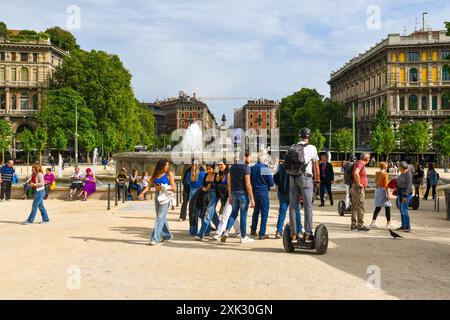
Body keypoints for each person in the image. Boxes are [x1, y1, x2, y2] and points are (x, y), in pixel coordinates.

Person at [285, 128, 320, 242]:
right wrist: (317, 180)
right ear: (309, 136)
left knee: (293, 205)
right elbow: (316, 166)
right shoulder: (312, 148)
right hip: (305, 177)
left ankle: (293, 233)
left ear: (300, 136)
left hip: (292, 177)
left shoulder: (292, 147)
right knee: (308, 205)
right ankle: (308, 233)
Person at [221, 153, 256, 244]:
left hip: (234, 193)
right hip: (243, 194)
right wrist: (252, 198)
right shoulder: (246, 167)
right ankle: (243, 237)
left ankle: (227, 232)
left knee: (233, 213)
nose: (250, 158)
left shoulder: (232, 167)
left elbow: (229, 181)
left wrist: (230, 194)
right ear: (244, 157)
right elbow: (248, 184)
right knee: (243, 216)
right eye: (248, 156)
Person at [149, 159, 176, 245]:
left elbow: (174, 188)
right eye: (166, 165)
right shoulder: (156, 174)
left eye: (168, 165)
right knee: (161, 217)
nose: (168, 166)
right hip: (157, 196)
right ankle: (167, 235)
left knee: (159, 218)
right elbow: (150, 183)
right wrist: (143, 192)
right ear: (161, 166)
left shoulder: (169, 174)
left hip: (165, 197)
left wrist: (164, 187)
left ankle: (155, 238)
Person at [273, 156, 301, 239]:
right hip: (293, 192)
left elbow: (275, 178)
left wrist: (281, 185)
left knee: (282, 212)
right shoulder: (295, 166)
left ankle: (279, 230)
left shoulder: (281, 166)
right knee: (296, 211)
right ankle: (299, 230)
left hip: (282, 192)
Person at [213, 160, 241, 240]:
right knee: (231, 215)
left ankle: (218, 233)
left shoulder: (229, 173)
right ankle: (238, 231)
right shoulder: (220, 174)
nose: (220, 166)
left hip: (230, 197)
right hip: (224, 198)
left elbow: (230, 185)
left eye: (221, 165)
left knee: (225, 216)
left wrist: (231, 195)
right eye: (219, 165)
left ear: (226, 165)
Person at [250, 152, 274, 240]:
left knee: (256, 212)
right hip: (263, 192)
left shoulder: (252, 168)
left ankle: (253, 229)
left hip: (254, 191)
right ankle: (262, 233)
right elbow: (271, 183)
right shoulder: (265, 169)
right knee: (264, 213)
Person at [197, 163, 219, 240]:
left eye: (210, 169)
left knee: (208, 214)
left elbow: (218, 186)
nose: (208, 170)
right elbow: (203, 185)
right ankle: (220, 230)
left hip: (214, 196)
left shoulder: (216, 175)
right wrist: (204, 188)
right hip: (205, 196)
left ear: (213, 169)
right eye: (207, 169)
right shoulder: (206, 175)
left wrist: (212, 186)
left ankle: (201, 234)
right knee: (213, 214)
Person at [350, 153, 371, 231]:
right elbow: (356, 173)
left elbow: (359, 174)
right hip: (358, 188)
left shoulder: (358, 162)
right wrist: (359, 183)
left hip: (354, 186)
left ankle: (353, 224)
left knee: (354, 206)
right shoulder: (361, 163)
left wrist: (365, 183)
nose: (370, 158)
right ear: (366, 158)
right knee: (360, 206)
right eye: (369, 157)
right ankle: (360, 225)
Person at [370, 162, 392, 228]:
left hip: (377, 190)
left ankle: (373, 222)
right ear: (385, 166)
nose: (387, 166)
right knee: (387, 207)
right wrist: (388, 194)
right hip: (383, 191)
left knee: (378, 207)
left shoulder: (377, 173)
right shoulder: (385, 174)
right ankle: (388, 223)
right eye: (387, 165)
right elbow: (386, 185)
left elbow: (376, 181)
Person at [187, 160, 206, 236]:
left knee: (193, 212)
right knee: (202, 211)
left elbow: (187, 181)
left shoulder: (189, 173)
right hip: (200, 191)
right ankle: (206, 230)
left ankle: (193, 231)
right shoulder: (202, 173)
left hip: (192, 192)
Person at [396, 161, 413, 232]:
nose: (398, 167)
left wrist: (405, 196)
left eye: (399, 166)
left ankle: (408, 226)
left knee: (404, 210)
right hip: (400, 193)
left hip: (405, 194)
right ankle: (403, 225)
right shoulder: (402, 173)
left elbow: (409, 186)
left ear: (402, 167)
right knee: (401, 210)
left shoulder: (408, 174)